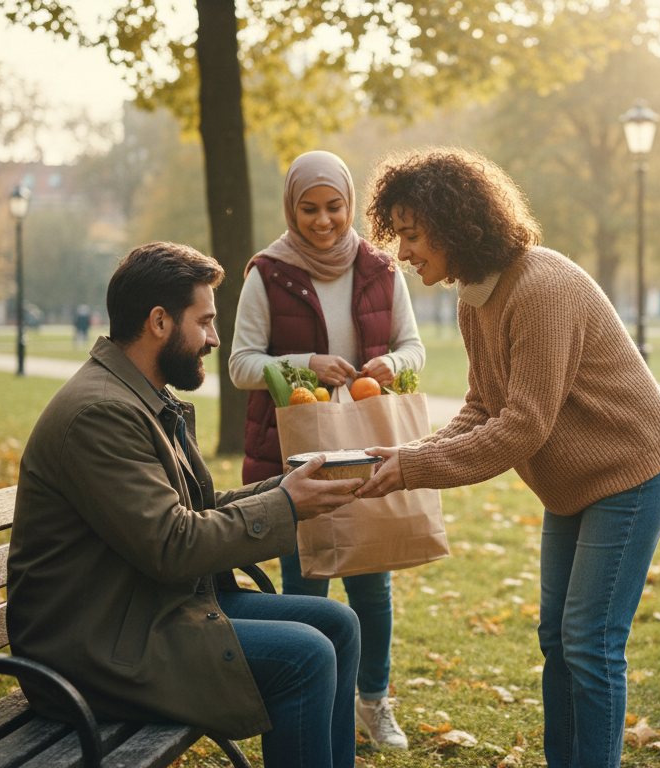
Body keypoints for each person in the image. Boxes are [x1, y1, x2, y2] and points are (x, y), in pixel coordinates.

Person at [354, 148, 660, 768]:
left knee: (590, 643)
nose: (404, 252)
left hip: (630, 472)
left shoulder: (543, 287)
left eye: (414, 234)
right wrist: (407, 452)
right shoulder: (475, 297)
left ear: (457, 226)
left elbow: (522, 427)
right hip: (572, 485)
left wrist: (414, 469)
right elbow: (483, 406)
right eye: (399, 235)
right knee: (556, 639)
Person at [7, 242, 364, 768]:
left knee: (338, 624)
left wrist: (289, 489)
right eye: (205, 321)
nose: (215, 339)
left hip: (147, 607)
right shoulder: (100, 414)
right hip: (96, 649)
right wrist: (285, 506)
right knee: (305, 657)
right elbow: (173, 545)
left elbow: (193, 512)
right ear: (158, 321)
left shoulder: (137, 397)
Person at [229, 150, 424, 750]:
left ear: (348, 204)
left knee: (372, 584)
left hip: (368, 442)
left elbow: (413, 348)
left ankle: (372, 703)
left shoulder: (381, 268)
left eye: (333, 206)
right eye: (308, 209)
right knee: (305, 581)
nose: (322, 220)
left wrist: (391, 362)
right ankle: (314, 697)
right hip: (297, 450)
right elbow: (240, 364)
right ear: (291, 207)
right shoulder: (268, 272)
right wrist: (303, 364)